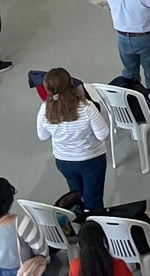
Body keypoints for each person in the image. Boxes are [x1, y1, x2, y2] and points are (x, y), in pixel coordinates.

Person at [36, 66, 111, 212]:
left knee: (75, 195)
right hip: (91, 159)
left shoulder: (44, 109)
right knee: (93, 198)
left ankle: (80, 218)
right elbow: (103, 134)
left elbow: (43, 136)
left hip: (64, 160)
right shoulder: (86, 107)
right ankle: (94, 227)